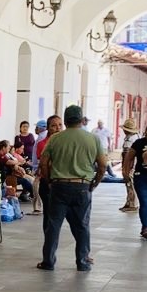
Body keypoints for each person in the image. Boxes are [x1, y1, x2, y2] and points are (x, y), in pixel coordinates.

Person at [37, 105, 106, 272]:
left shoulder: (55, 139)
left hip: (59, 185)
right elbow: (103, 165)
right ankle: (82, 262)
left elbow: (43, 163)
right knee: (82, 225)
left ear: (65, 120)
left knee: (53, 225)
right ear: (82, 120)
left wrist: (49, 181)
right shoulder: (93, 139)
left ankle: (48, 261)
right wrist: (95, 182)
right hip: (82, 186)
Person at [117, 118, 140, 212]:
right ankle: (129, 202)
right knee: (130, 184)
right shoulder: (136, 137)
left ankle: (133, 204)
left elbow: (127, 155)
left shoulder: (129, 140)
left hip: (130, 165)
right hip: (135, 164)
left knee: (130, 183)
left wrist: (125, 168)